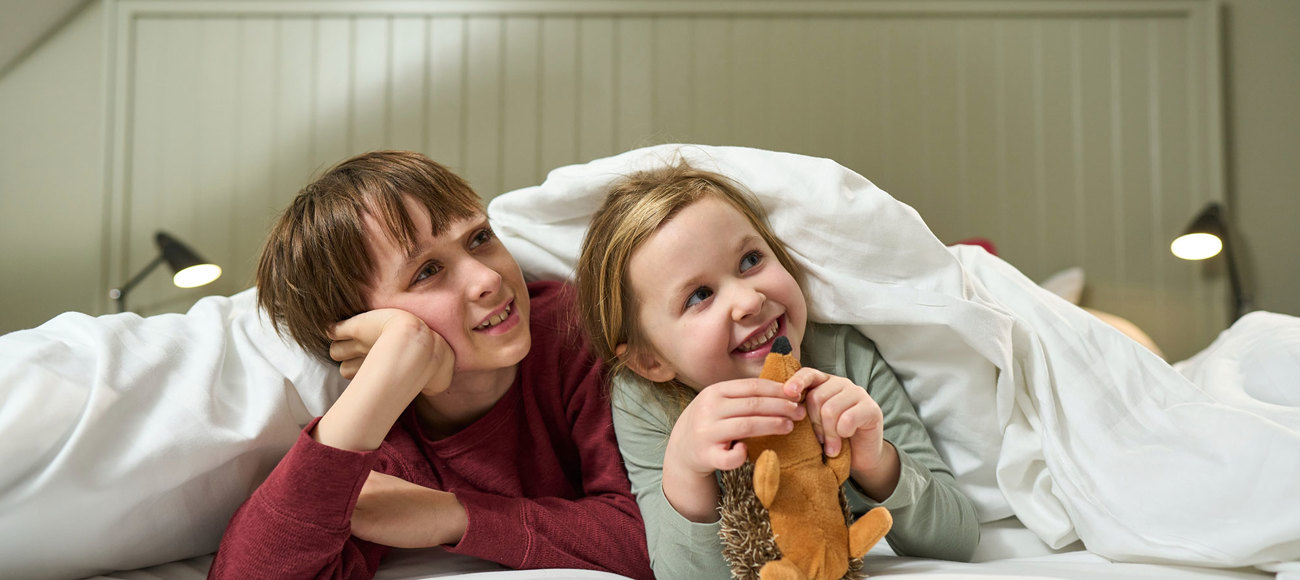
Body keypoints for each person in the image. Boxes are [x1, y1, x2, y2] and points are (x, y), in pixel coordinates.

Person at [209, 150, 653, 580]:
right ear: (356, 328)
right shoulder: (384, 440)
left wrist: (451, 516)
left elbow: (658, 542)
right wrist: (384, 377)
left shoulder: (581, 330)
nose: (489, 279)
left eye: (479, 238)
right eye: (427, 271)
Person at [574, 162, 980, 578]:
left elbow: (959, 540)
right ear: (651, 361)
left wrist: (876, 461)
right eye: (699, 295)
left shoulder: (843, 357)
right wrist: (685, 471)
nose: (749, 300)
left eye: (750, 260)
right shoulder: (647, 401)